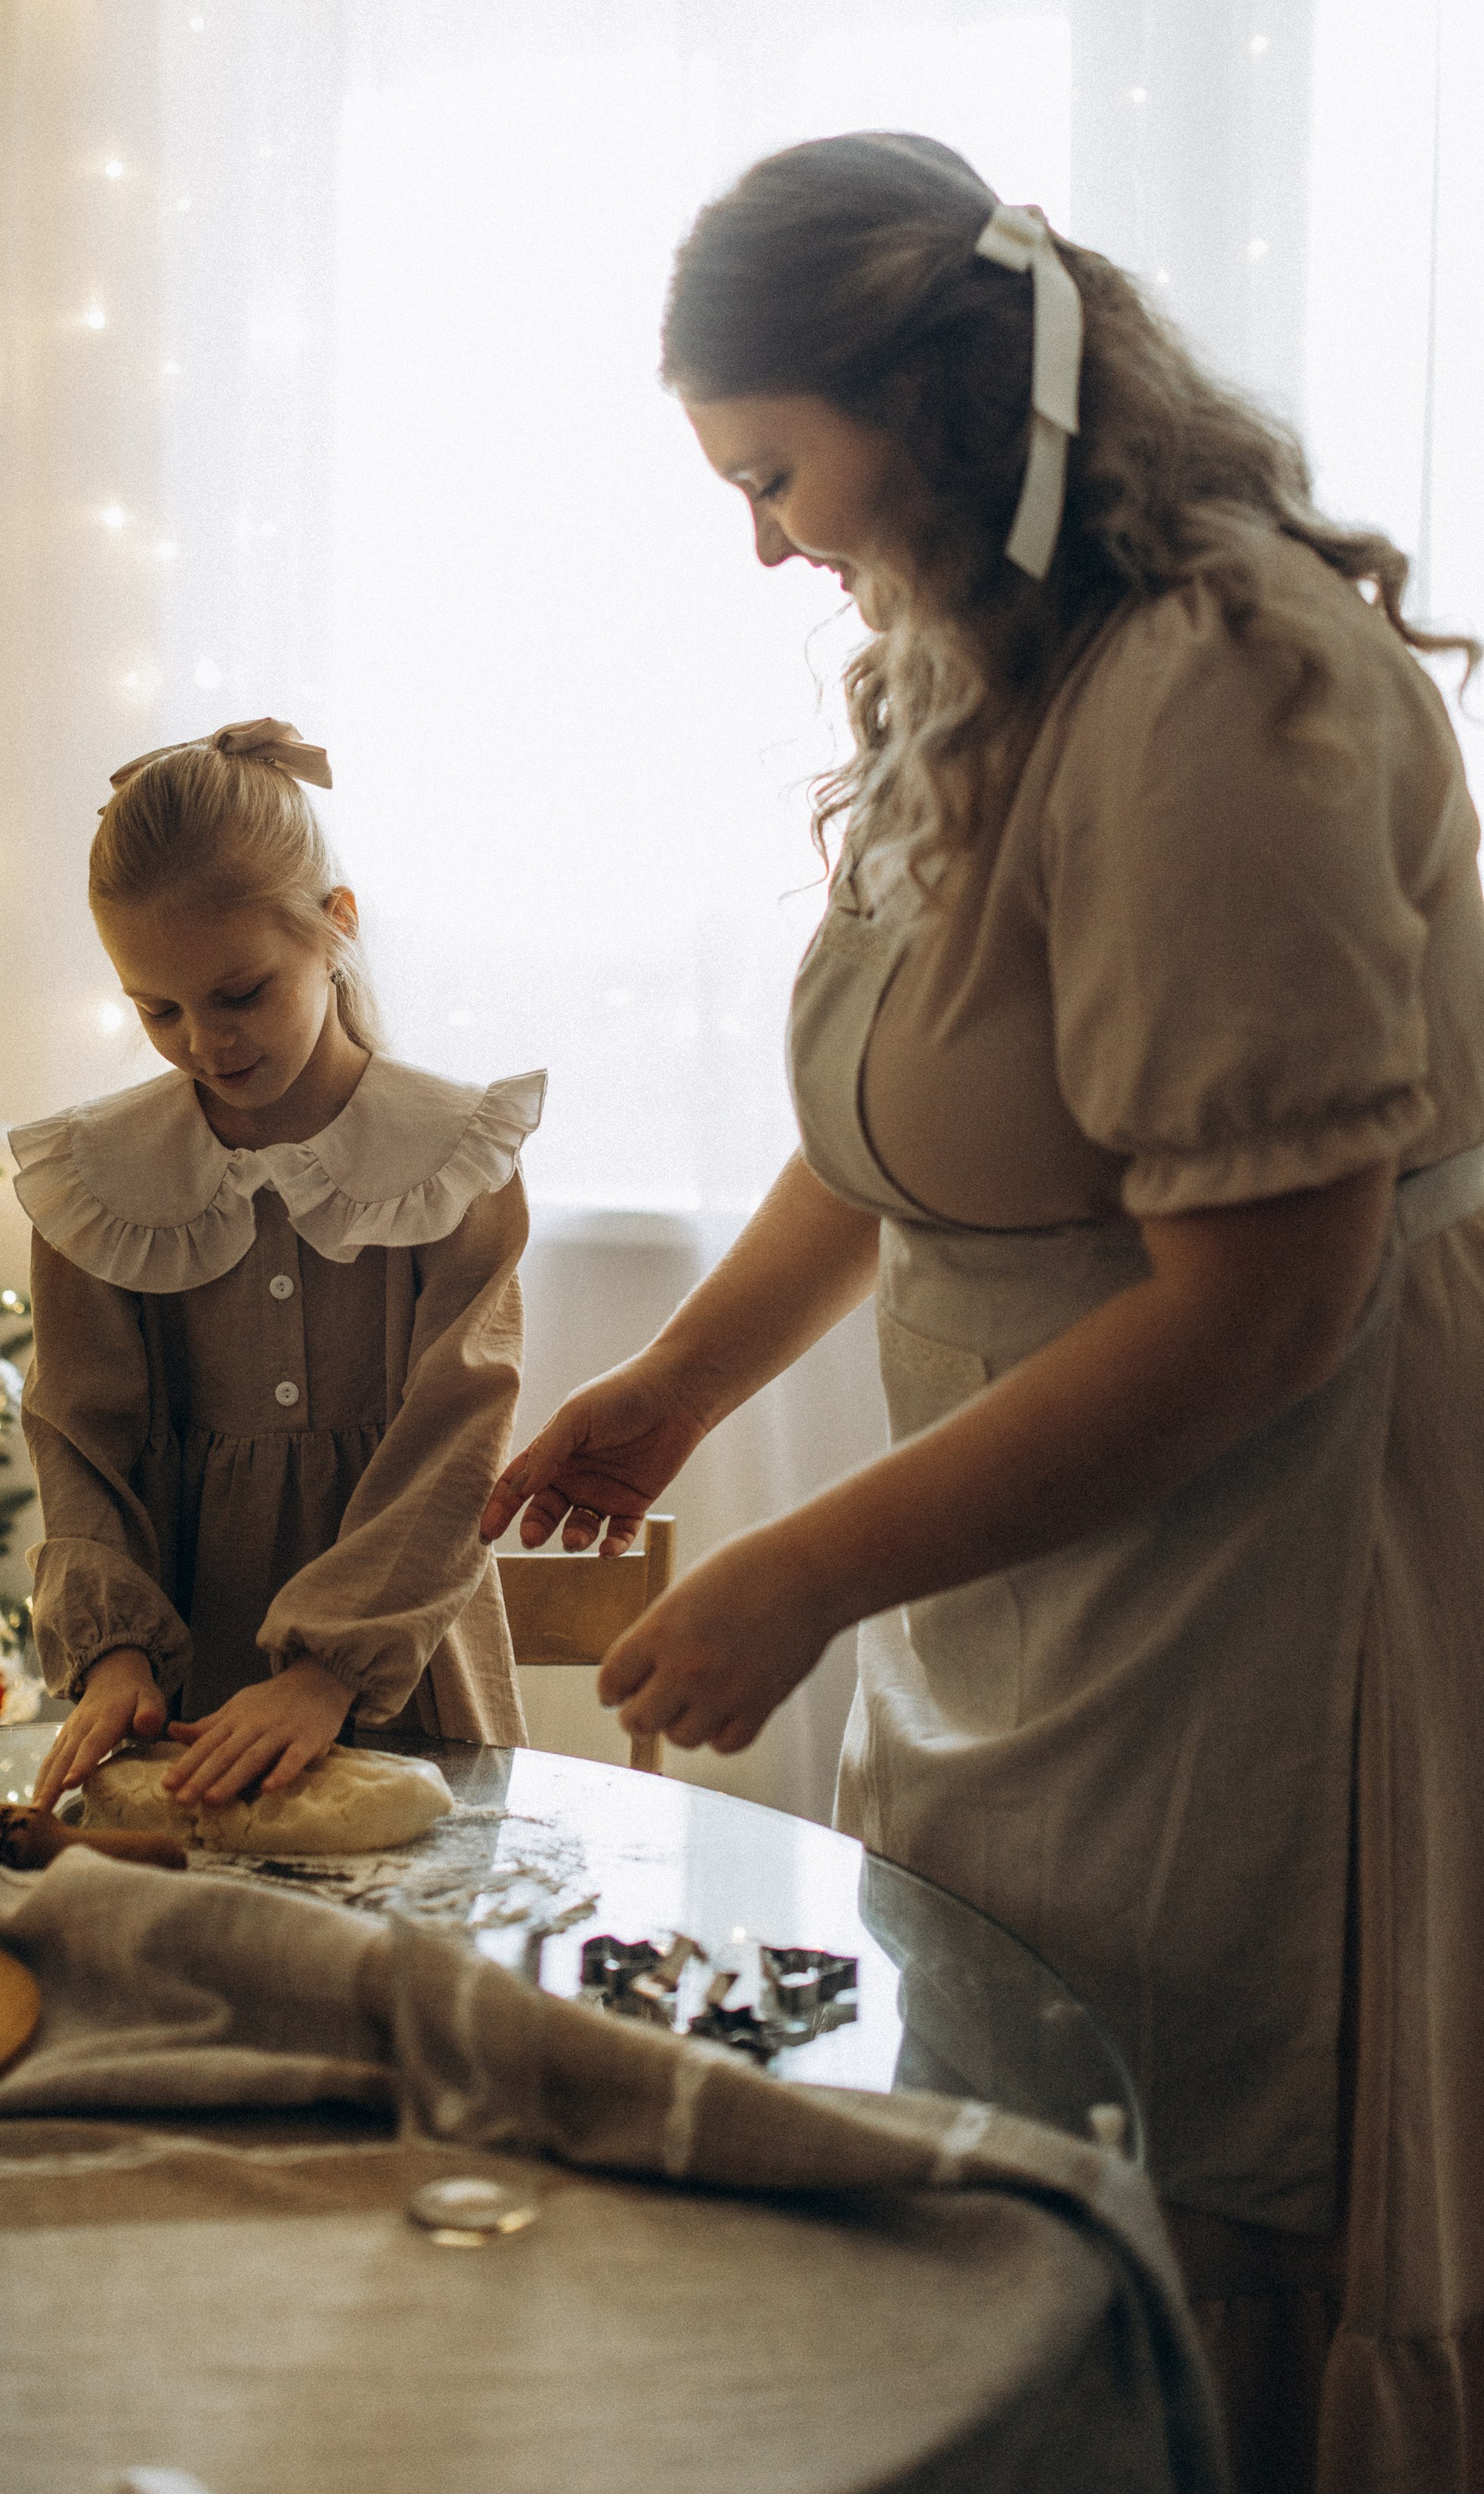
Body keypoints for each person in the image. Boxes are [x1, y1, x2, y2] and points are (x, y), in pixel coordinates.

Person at [480, 134, 1484, 2492]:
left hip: (1265, 1552)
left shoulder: (1215, 688)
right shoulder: (972, 660)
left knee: (1227, 2138)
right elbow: (896, 1125)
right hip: (1044, 1541)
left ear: (923, 401)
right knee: (1036, 2067)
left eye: (772, 470)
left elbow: (1264, 1303)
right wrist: (674, 1391)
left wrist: (814, 1563)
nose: (762, 539)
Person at [16, 717, 537, 1821]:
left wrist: (327, 1670)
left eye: (239, 993)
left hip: (407, 1675)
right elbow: (79, 1440)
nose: (204, 1042)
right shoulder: (98, 1178)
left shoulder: (453, 1156)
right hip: (180, 1699)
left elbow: (460, 1434)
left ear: (336, 926)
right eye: (157, 1010)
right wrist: (114, 1652)